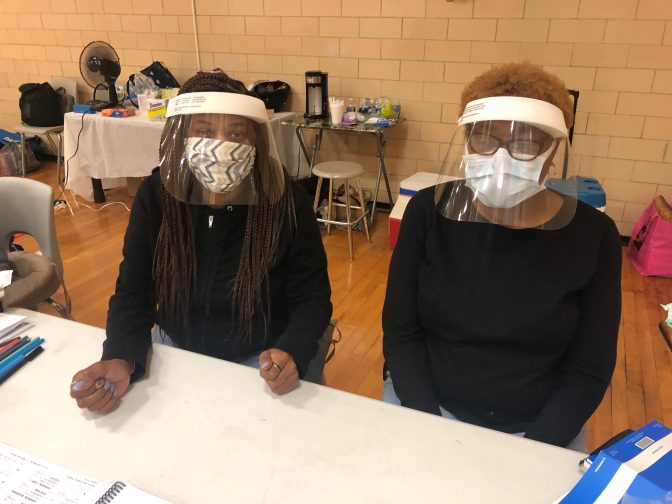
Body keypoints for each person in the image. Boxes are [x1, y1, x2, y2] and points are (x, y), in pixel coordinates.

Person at [382, 62, 622, 451]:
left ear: (553, 148)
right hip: (428, 403)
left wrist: (534, 447)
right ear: (466, 141)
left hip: (539, 427)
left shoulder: (595, 237)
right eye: (484, 138)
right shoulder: (428, 212)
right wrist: (428, 423)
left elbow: (589, 368)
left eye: (525, 141)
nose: (500, 156)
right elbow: (400, 331)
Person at [70, 72, 332, 413]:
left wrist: (292, 350)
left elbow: (312, 298)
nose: (220, 145)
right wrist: (121, 355)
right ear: (182, 137)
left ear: (255, 139)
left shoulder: (286, 202)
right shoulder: (157, 197)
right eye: (204, 131)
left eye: (236, 133)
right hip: (174, 348)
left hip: (260, 359)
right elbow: (134, 290)